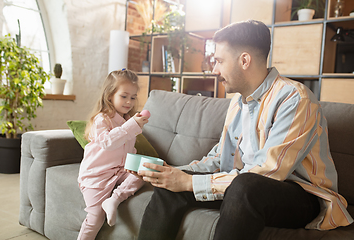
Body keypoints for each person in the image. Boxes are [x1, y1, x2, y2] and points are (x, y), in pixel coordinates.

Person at [136, 20, 353, 240]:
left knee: (243, 186)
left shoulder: (294, 99)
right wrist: (173, 173)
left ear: (244, 60)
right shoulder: (237, 103)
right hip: (244, 189)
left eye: (219, 60)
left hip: (301, 195)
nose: (215, 70)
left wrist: (190, 182)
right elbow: (220, 159)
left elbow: (270, 171)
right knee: (171, 186)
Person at [77, 69, 148, 240]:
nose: (129, 102)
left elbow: (129, 149)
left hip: (119, 172)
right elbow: (108, 143)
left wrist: (136, 164)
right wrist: (131, 126)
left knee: (141, 174)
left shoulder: (127, 120)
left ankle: (114, 200)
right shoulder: (102, 119)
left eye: (133, 97)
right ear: (110, 96)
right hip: (97, 175)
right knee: (95, 217)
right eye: (124, 96)